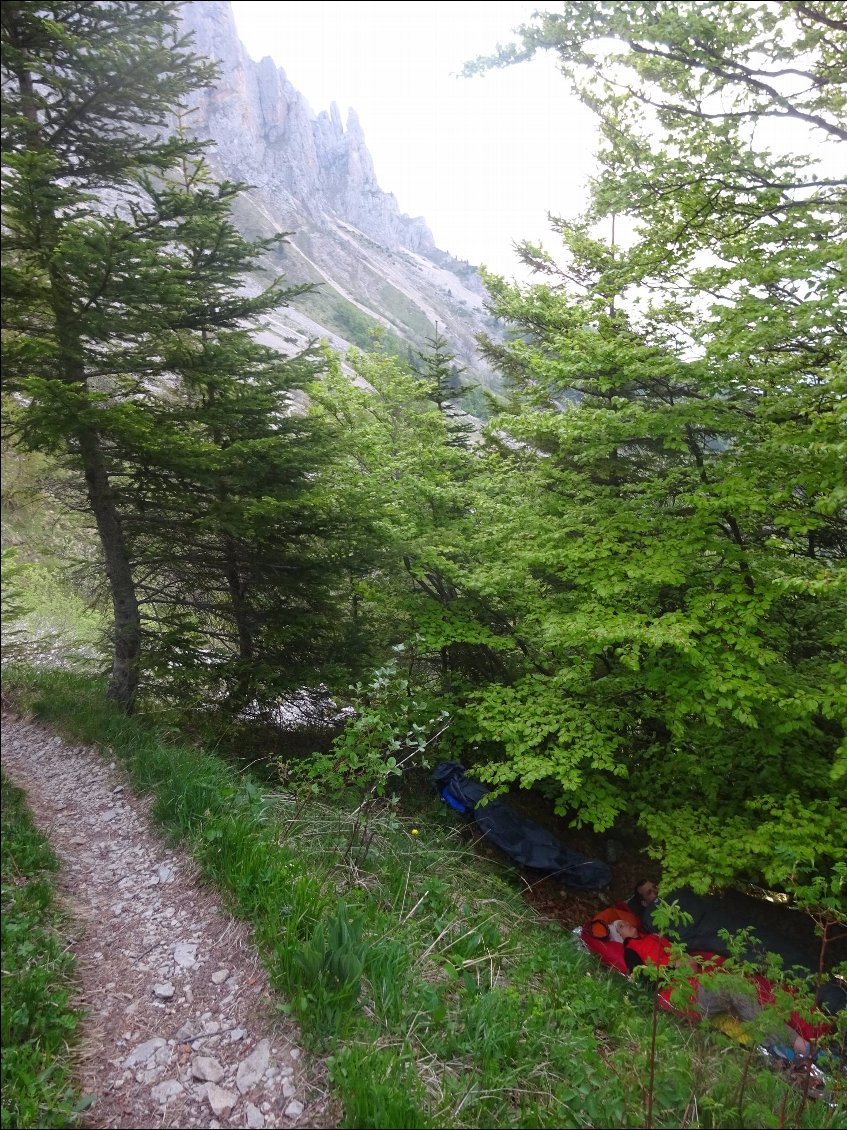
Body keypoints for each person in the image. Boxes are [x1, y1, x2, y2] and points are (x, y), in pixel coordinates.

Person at [610, 920, 814, 1057]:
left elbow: (686, 959)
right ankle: (792, 1045)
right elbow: (645, 982)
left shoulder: (653, 937)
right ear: (618, 935)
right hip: (683, 996)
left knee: (744, 991)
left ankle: (785, 1044)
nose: (626, 924)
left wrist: (686, 963)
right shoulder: (630, 951)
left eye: (625, 922)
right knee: (734, 988)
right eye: (620, 926)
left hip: (697, 983)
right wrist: (676, 968)